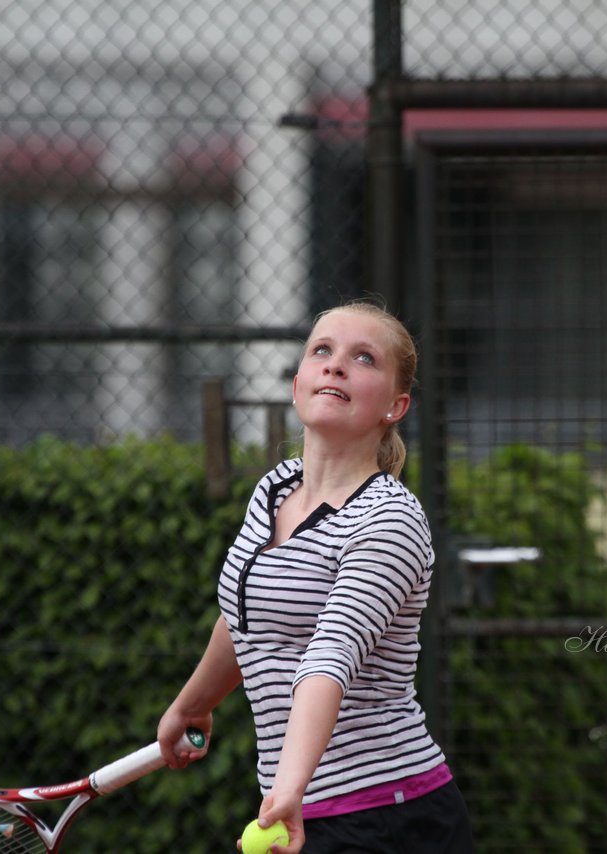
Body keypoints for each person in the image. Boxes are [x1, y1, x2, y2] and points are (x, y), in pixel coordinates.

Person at [157, 300, 474, 853]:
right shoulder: (276, 487)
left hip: (388, 816)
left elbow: (330, 657)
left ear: (395, 406)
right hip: (309, 808)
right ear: (300, 381)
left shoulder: (389, 520)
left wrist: (289, 789)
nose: (335, 365)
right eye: (322, 351)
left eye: (364, 358)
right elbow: (246, 613)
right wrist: (194, 702)